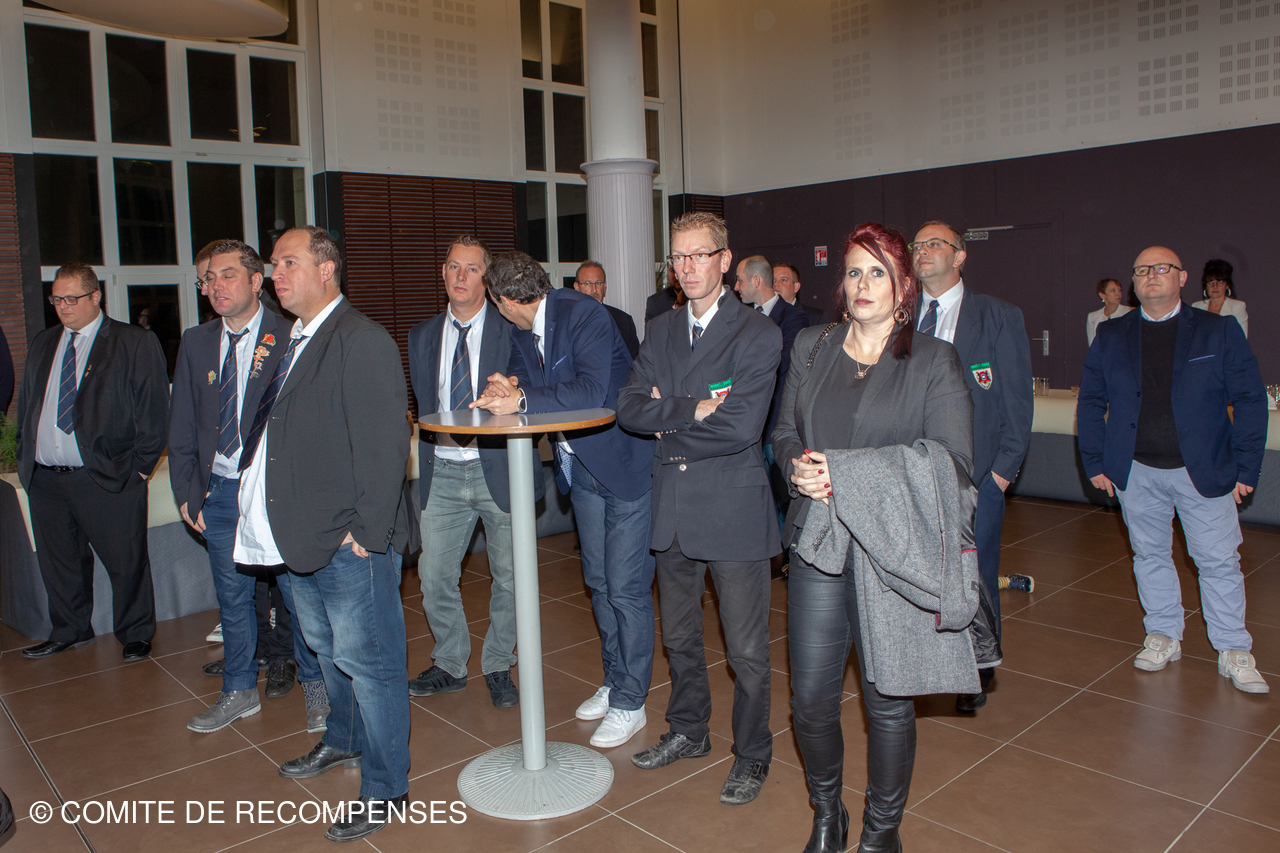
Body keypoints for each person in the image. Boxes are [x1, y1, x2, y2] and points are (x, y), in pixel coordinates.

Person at [775, 222, 975, 853]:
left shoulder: (933, 361)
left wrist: (848, 473)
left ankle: (881, 832)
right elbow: (783, 430)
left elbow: (953, 464)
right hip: (819, 539)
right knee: (810, 701)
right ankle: (827, 812)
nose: (864, 284)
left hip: (892, 547)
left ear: (903, 285)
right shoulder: (812, 345)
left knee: (888, 698)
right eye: (854, 271)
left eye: (878, 272)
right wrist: (795, 466)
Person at [241, 227, 412, 842]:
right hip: (300, 535)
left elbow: (386, 442)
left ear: (327, 269)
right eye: (274, 264)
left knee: (373, 664)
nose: (276, 274)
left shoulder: (361, 339)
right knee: (325, 648)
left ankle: (387, 787)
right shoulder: (295, 338)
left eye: (289, 263)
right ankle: (343, 740)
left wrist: (367, 530)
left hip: (348, 540)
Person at [616, 212, 781, 806]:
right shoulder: (659, 329)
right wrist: (692, 409)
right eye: (678, 257)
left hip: (732, 512)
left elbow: (741, 427)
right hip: (674, 510)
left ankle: (752, 752)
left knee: (746, 651)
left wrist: (667, 420)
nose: (686, 268)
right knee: (681, 638)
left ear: (725, 260)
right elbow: (628, 408)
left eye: (699, 255)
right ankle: (688, 730)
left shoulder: (758, 333)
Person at [474, 251, 655, 749]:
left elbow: (593, 390)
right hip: (582, 469)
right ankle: (615, 679)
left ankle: (631, 701)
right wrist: (506, 385)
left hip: (622, 465)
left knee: (626, 588)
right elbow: (522, 374)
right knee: (598, 581)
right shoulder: (522, 328)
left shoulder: (583, 314)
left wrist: (521, 400)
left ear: (504, 300)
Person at [1077, 245, 1268, 694]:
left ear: (1182, 278)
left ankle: (1233, 647)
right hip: (1136, 471)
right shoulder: (1111, 334)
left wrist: (1246, 467)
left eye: (1162, 268)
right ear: (1134, 282)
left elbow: (1249, 399)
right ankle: (1163, 633)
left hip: (1203, 471)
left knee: (1218, 562)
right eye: (1142, 270)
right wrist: (1096, 460)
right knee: (1149, 556)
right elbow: (1091, 400)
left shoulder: (1217, 330)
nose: (1151, 276)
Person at [168, 239, 328, 733]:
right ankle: (238, 690)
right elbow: (182, 423)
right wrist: (187, 492)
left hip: (274, 491)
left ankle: (317, 689)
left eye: (227, 275)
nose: (215, 286)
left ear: (257, 281)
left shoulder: (291, 335)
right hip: (218, 493)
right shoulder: (196, 342)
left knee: (299, 598)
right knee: (233, 600)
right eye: (208, 279)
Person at [406, 236, 543, 709]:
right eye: (452, 267)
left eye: (471, 269)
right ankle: (449, 663)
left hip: (499, 467)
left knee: (510, 578)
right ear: (442, 273)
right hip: (442, 470)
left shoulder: (513, 330)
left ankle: (499, 663)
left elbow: (535, 392)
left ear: (487, 279)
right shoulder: (421, 336)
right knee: (433, 577)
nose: (460, 276)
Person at [16, 263, 168, 662]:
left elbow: (154, 411)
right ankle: (70, 630)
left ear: (96, 296)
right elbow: (30, 404)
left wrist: (139, 468)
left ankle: (135, 633)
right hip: (46, 480)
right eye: (56, 299)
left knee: (126, 561)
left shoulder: (132, 341)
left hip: (106, 477)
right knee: (60, 564)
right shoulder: (44, 342)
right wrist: (25, 456)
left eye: (72, 298)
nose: (63, 307)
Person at [910, 220, 1033, 712]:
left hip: (976, 477)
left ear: (960, 256)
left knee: (975, 577)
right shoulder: (899, 317)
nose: (922, 251)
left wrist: (1000, 474)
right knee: (915, 573)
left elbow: (1016, 401)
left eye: (934, 244)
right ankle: (919, 664)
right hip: (911, 472)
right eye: (917, 245)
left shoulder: (998, 317)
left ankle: (975, 670)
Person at [573, 260, 640, 359]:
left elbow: (634, 362)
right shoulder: (566, 321)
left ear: (605, 287)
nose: (594, 289)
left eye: (598, 283)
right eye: (587, 283)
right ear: (576, 287)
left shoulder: (624, 321)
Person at [1191, 258, 1248, 338]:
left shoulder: (1237, 307)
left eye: (1220, 282)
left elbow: (1241, 339)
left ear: (1227, 285)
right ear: (1206, 285)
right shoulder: (1196, 307)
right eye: (1211, 282)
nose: (1215, 286)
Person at [1085, 277, 1132, 345]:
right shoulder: (1092, 317)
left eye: (1119, 290)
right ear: (1102, 295)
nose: (1118, 294)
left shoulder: (1130, 312)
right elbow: (1092, 345)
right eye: (1113, 290)